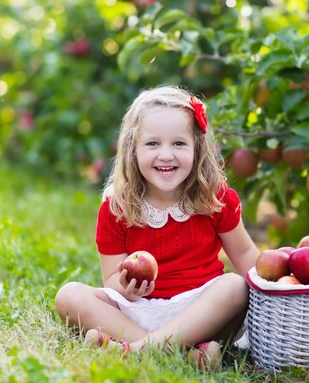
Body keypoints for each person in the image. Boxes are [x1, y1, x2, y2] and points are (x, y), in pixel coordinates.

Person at [55, 86, 260, 366]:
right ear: (133, 150)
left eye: (178, 144)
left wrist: (279, 286)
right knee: (69, 296)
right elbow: (111, 279)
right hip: (138, 309)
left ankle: (136, 350)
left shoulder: (215, 198)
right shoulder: (117, 206)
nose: (166, 155)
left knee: (235, 287)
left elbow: (246, 255)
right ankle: (175, 352)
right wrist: (128, 287)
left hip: (200, 313)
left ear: (197, 148)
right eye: (153, 144)